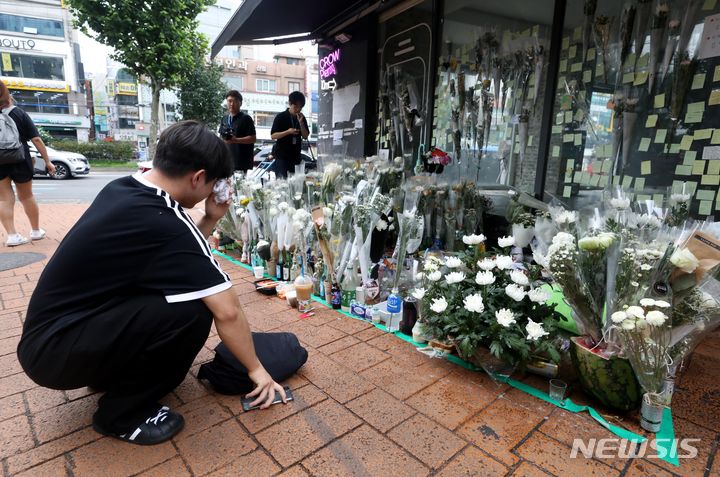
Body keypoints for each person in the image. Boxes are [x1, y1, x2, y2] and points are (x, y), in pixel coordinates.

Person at [17, 121, 285, 446]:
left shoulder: (126, 188)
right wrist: (257, 370)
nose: (212, 190)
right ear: (198, 177)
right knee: (193, 312)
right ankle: (121, 414)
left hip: (54, 337)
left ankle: (107, 374)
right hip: (58, 352)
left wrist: (211, 216)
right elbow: (228, 311)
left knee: (173, 293)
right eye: (212, 183)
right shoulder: (167, 221)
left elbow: (174, 254)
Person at [0, 81, 55, 246]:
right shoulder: (18, 113)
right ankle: (36, 231)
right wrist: (47, 161)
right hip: (20, 158)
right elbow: (36, 139)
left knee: (3, 199)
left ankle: (12, 236)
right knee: (26, 196)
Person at [270, 91, 309, 178]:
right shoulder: (280, 117)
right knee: (282, 184)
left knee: (295, 184)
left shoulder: (302, 118)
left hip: (296, 157)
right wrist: (288, 132)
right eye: (296, 106)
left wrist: (301, 123)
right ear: (290, 104)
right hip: (282, 157)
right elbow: (273, 136)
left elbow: (305, 136)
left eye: (300, 107)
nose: (298, 109)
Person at [219, 90, 256, 173]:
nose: (231, 104)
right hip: (226, 161)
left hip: (241, 162)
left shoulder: (246, 119)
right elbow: (221, 137)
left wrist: (236, 140)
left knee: (238, 185)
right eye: (229, 101)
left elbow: (253, 138)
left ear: (240, 103)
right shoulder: (224, 118)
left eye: (235, 101)